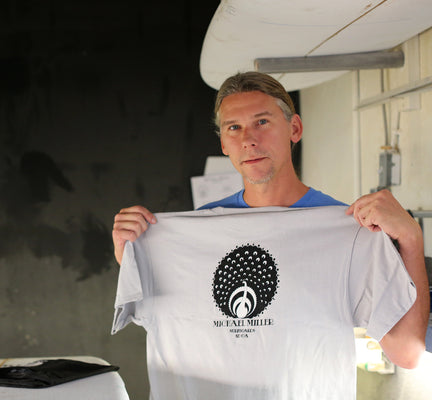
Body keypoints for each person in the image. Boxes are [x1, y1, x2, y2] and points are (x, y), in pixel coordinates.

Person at [111, 72, 429, 398]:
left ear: (294, 129)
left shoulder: (349, 233)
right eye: (234, 127)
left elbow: (407, 352)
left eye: (262, 122)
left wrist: (411, 239)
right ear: (223, 143)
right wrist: (133, 254)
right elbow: (165, 307)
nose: (248, 139)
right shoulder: (190, 234)